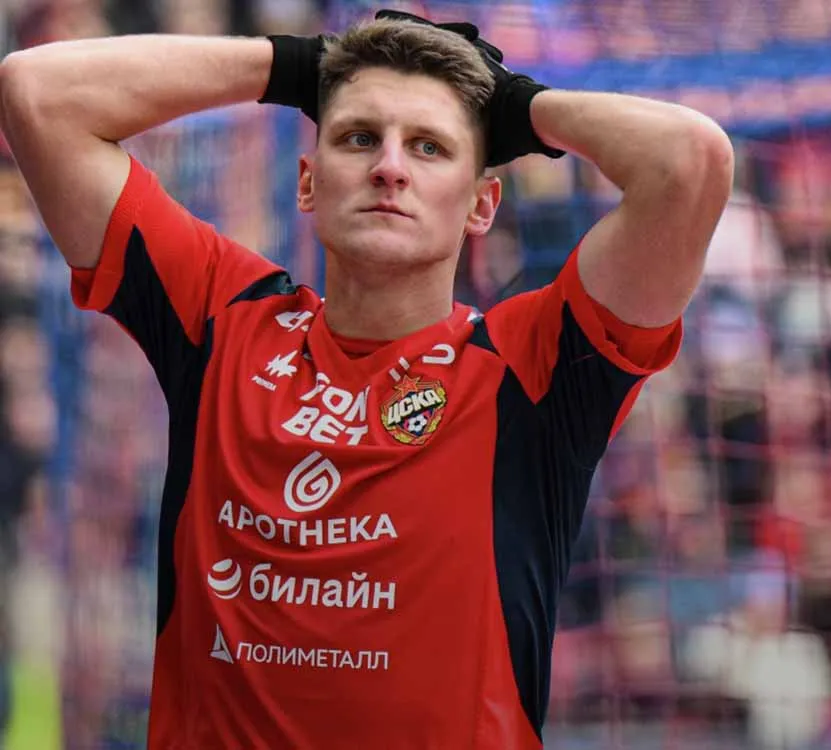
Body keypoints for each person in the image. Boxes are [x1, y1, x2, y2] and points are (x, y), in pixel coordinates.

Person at [0, 10, 734, 749]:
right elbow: (37, 93)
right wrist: (295, 67)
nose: (389, 166)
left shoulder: (529, 366)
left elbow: (690, 161)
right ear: (307, 182)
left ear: (481, 204)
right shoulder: (224, 318)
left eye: (429, 147)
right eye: (358, 137)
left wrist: (517, 107)